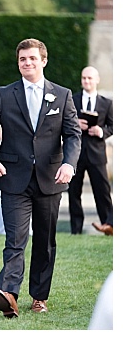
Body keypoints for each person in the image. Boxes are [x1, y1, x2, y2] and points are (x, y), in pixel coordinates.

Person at [0, 38, 81, 318]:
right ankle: (8, 293)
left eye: (32, 58)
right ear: (18, 63)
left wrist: (69, 164)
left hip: (50, 178)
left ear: (43, 61)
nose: (27, 63)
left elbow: (72, 134)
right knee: (15, 238)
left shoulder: (63, 95)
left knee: (45, 241)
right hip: (13, 178)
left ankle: (39, 297)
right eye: (22, 59)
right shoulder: (5, 94)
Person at [68, 66, 113, 236]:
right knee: (74, 192)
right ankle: (76, 230)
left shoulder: (107, 103)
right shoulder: (72, 99)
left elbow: (113, 126)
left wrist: (100, 131)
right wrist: (76, 124)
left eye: (90, 78)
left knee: (102, 192)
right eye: (84, 78)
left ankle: (108, 225)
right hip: (75, 153)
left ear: (97, 80)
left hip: (97, 154)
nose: (86, 81)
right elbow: (64, 123)